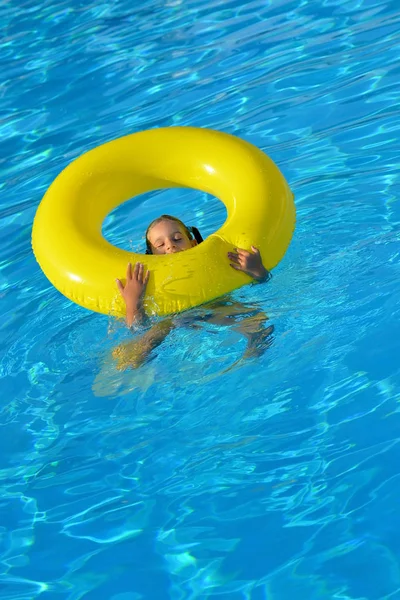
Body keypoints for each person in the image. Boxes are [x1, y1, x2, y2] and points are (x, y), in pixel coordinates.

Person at [113, 215, 273, 370]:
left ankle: (250, 361)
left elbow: (262, 283)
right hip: (173, 319)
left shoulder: (214, 263)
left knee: (258, 323)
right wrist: (133, 302)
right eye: (160, 245)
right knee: (140, 349)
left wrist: (257, 271)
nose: (170, 246)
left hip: (218, 307)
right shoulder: (147, 284)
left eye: (177, 239)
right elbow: (138, 328)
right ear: (151, 257)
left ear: (194, 243)